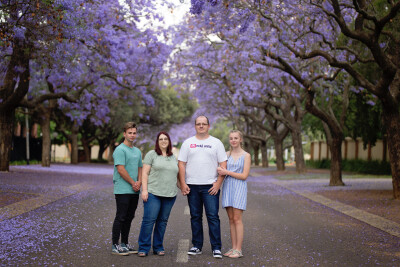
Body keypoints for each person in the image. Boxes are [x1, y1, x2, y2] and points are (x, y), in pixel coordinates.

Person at [178, 115, 227, 259]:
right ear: (195, 126)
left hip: (210, 186)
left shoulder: (216, 143)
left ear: (208, 126)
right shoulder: (188, 143)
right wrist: (183, 183)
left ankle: (216, 247)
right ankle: (197, 246)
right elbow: (181, 164)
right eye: (198, 124)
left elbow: (223, 164)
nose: (201, 126)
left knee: (213, 217)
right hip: (192, 186)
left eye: (203, 124)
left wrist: (218, 184)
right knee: (195, 217)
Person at [137, 131, 179, 257]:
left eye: (165, 139)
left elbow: (175, 175)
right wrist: (144, 190)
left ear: (169, 141)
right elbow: (145, 173)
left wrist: (183, 187)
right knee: (149, 220)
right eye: (160, 139)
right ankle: (143, 247)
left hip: (170, 194)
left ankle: (158, 246)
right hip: (153, 193)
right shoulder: (152, 154)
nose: (163, 141)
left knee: (162, 221)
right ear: (157, 141)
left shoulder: (173, 157)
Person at [217, 130, 251, 258]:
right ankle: (233, 248)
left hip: (239, 187)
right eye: (231, 138)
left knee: (237, 219)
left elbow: (244, 176)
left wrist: (227, 172)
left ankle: (239, 250)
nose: (233, 140)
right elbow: (220, 170)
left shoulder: (246, 155)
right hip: (228, 187)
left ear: (240, 139)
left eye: (236, 138)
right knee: (231, 220)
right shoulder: (226, 155)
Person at [111, 122, 142, 256]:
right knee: (121, 216)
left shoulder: (137, 151)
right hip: (123, 189)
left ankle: (124, 243)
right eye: (130, 132)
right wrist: (132, 182)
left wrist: (139, 182)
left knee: (129, 217)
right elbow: (121, 169)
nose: (132, 135)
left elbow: (140, 167)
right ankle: (115, 245)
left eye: (134, 133)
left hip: (134, 190)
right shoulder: (120, 150)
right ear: (124, 134)